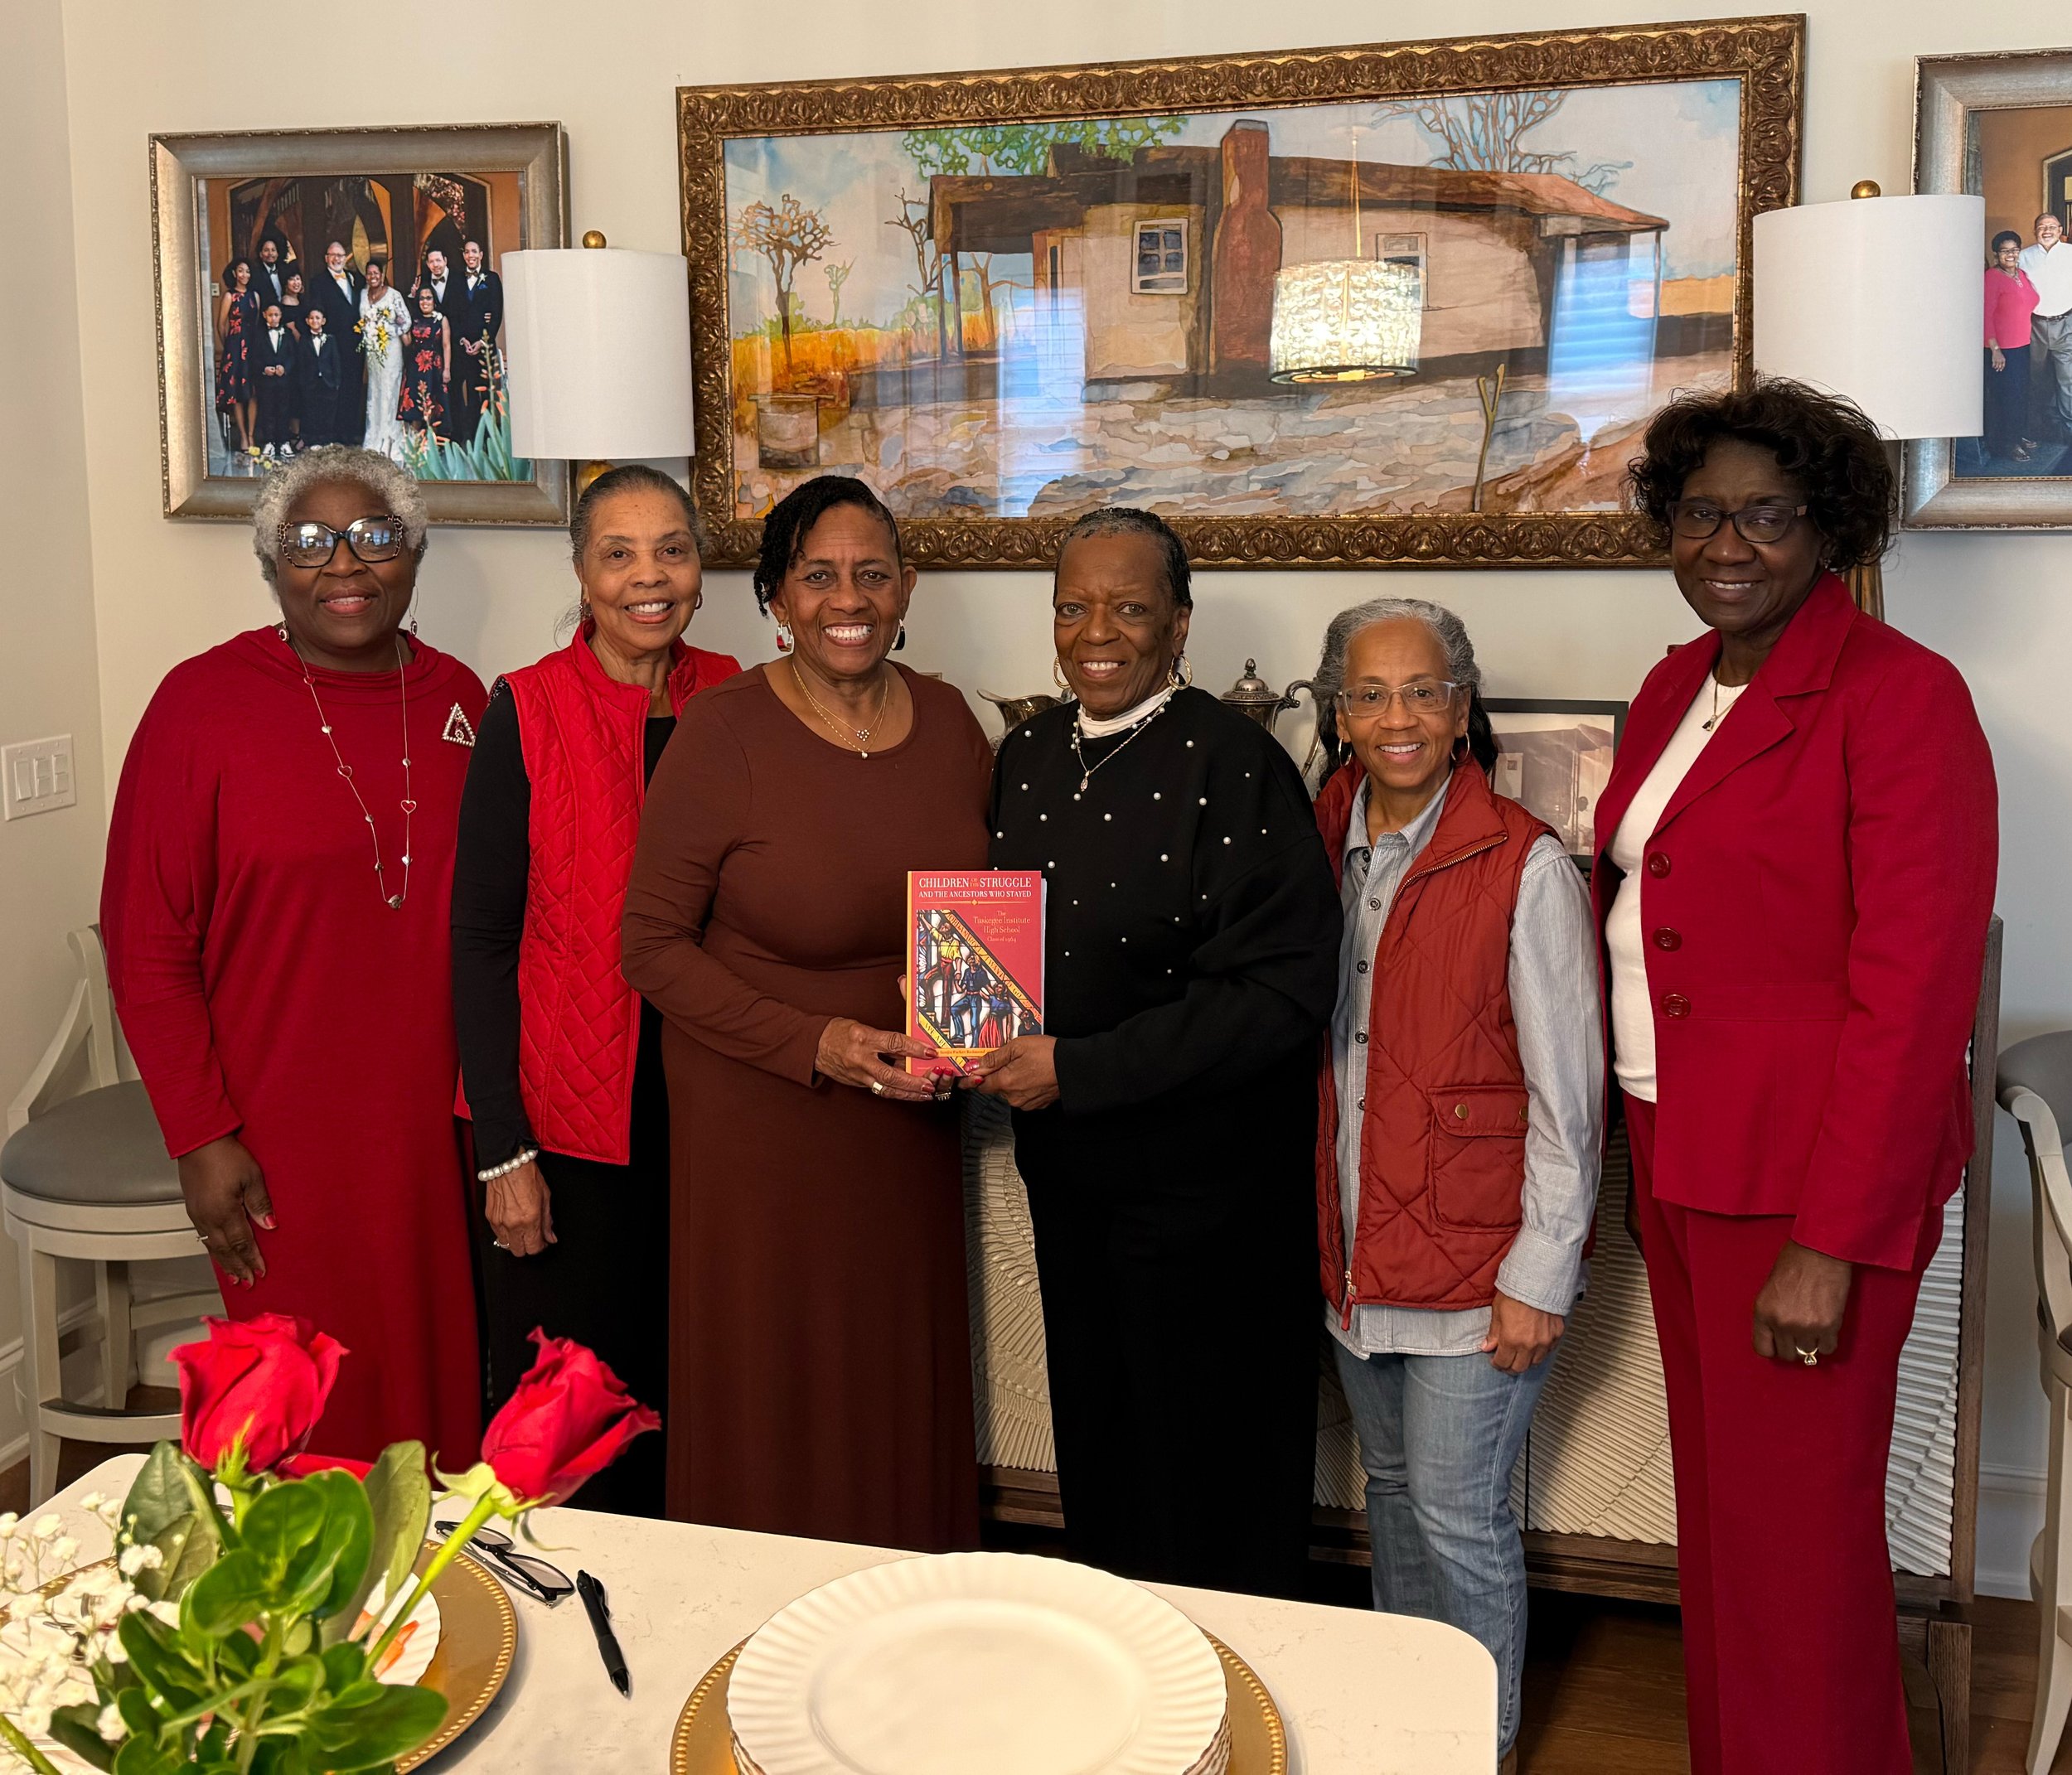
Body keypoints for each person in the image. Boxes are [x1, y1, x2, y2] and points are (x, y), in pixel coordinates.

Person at [1609, 379, 1997, 1774]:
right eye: (1701, 511)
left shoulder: (1901, 698)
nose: (1728, 544)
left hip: (1801, 1189)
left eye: (1767, 515)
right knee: (1728, 1535)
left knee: (1798, 1555)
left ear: (1828, 526)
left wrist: (1830, 1241)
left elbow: (1916, 1000)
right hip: (1677, 1151)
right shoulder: (1676, 685)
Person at [967, 507, 1341, 1598]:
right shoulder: (1028, 755)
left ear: (1180, 625)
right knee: (1102, 1444)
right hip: (1070, 1181)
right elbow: (1005, 939)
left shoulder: (1239, 762)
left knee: (1210, 1466)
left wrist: (1076, 1070)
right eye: (1072, 607)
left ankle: (1232, 1679)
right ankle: (1122, 1670)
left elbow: (1278, 995)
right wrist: (954, 1009)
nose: (1097, 632)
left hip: (1209, 1198)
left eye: (1129, 608)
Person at [621, 475, 988, 1551]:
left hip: (907, 1121)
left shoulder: (951, 721)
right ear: (776, 598)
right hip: (765, 1121)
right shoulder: (723, 732)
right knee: (777, 1380)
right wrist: (814, 1043)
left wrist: (973, 1030)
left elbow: (979, 910)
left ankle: (909, 1596)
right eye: (818, 576)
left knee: (893, 1373)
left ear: (906, 586)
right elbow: (649, 946)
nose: (848, 598)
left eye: (872, 573)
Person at [103, 447, 486, 1466]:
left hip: (432, 1124)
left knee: (435, 1390)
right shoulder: (200, 705)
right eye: (309, 542)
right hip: (277, 1129)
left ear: (414, 554)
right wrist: (200, 1135)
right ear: (272, 564)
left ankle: (436, 1566)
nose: (344, 564)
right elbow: (146, 944)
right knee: (296, 1406)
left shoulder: (460, 698)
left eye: (374, 536)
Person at [1307, 597, 1601, 1767]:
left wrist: (1541, 1274)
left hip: (1479, 1272)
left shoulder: (1525, 865)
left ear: (1462, 707)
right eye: (1371, 694)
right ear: (1339, 713)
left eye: (1424, 692)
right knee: (1389, 1495)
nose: (1399, 718)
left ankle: (1475, 1748)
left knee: (1459, 1517)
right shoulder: (1316, 840)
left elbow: (1570, 1099)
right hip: (1355, 1256)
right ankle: (1407, 1728)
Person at [453, 467, 739, 1517]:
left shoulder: (739, 697)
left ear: (700, 570)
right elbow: (480, 940)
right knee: (566, 1434)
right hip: (562, 1131)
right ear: (581, 573)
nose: (648, 578)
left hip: (706, 1118)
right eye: (619, 555)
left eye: (671, 550)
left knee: (693, 1402)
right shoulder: (524, 709)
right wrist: (503, 1150)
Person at [1985, 229, 2041, 463]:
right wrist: (1995, 349)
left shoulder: (2022, 274)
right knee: (2005, 398)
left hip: (2022, 346)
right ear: (1996, 254)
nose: (2010, 254)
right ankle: (2007, 443)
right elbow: (1985, 316)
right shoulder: (1991, 277)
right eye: (2004, 251)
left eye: (2014, 250)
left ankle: (2017, 435)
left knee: (2019, 395)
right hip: (2002, 350)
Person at [2021, 212, 2072, 444]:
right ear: (2035, 231)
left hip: (2066, 324)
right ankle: (2040, 427)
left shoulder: (2070, 254)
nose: (2047, 230)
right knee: (2036, 378)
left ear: (2060, 230)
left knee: (2067, 380)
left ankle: (2068, 429)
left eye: (2052, 226)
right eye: (2042, 227)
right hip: (2035, 326)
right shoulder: (2024, 256)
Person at [311, 241, 366, 445]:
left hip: (355, 344)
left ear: (345, 258)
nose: (337, 259)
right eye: (333, 255)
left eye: (340, 255)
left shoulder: (355, 279)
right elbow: (317, 311)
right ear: (326, 258)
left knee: (353, 386)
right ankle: (332, 434)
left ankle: (350, 432)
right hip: (333, 345)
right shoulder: (318, 282)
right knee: (333, 388)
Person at [358, 259, 412, 462]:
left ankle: (391, 438)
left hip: (391, 350)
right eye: (369, 273)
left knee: (390, 391)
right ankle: (374, 436)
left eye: (376, 273)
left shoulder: (393, 295)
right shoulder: (363, 294)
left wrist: (386, 330)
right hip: (372, 352)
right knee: (376, 391)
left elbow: (406, 322)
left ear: (382, 275)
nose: (373, 276)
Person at [450, 239, 503, 443]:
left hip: (484, 346)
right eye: (467, 252)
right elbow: (454, 314)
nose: (470, 255)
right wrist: (462, 339)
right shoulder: (456, 280)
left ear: (481, 255)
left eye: (474, 251)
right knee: (470, 394)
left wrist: (483, 340)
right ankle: (472, 439)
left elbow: (496, 313)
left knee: (488, 393)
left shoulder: (492, 279)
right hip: (464, 347)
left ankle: (491, 440)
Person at [214, 258, 259, 458]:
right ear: (234, 273)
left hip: (253, 347)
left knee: (253, 392)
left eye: (247, 271)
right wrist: (229, 345)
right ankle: (242, 435)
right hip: (234, 347)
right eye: (241, 271)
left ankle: (251, 435)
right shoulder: (229, 296)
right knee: (237, 393)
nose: (244, 275)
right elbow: (221, 325)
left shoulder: (255, 296)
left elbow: (256, 322)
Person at [399, 283, 450, 445]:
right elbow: (407, 342)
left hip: (434, 367)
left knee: (433, 407)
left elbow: (446, 345)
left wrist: (447, 369)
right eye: (421, 298)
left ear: (434, 300)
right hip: (415, 367)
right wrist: (401, 327)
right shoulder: (414, 319)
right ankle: (414, 446)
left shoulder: (441, 319)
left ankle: (432, 446)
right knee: (415, 406)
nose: (425, 301)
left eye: (428, 298)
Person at [290, 307, 345, 448]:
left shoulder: (331, 339)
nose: (315, 321)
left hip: (328, 382)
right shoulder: (304, 339)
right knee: (311, 411)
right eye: (312, 318)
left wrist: (336, 382)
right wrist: (303, 382)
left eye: (318, 318)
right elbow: (301, 362)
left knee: (328, 412)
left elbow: (335, 361)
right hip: (310, 382)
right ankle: (312, 440)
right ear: (307, 321)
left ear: (323, 321)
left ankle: (326, 440)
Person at [250, 302, 297, 457]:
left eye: (276, 315)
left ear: (281, 316)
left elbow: (292, 355)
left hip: (284, 381)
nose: (273, 318)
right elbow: (254, 356)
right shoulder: (258, 334)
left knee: (284, 410)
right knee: (267, 410)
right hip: (266, 381)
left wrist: (285, 368)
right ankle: (269, 442)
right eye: (270, 315)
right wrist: (263, 369)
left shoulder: (287, 333)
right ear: (264, 315)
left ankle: (284, 441)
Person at [252, 238, 290, 312]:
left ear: (277, 254)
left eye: (273, 250)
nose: (270, 253)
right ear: (260, 254)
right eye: (266, 250)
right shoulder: (256, 274)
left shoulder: (285, 271)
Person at [279, 269, 308, 338]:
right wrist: (302, 342)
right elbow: (291, 328)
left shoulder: (300, 299)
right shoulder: (286, 301)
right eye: (291, 279)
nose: (296, 283)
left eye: (298, 279)